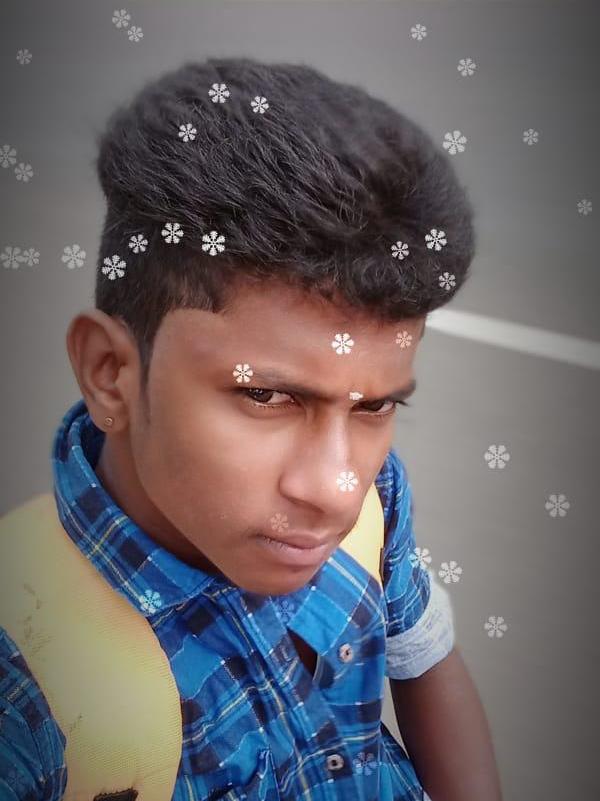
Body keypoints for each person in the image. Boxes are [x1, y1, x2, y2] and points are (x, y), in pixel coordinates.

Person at [0, 57, 503, 800]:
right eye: (266, 395)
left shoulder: (376, 497)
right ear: (110, 372)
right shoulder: (28, 678)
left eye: (373, 407)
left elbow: (424, 660)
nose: (335, 489)